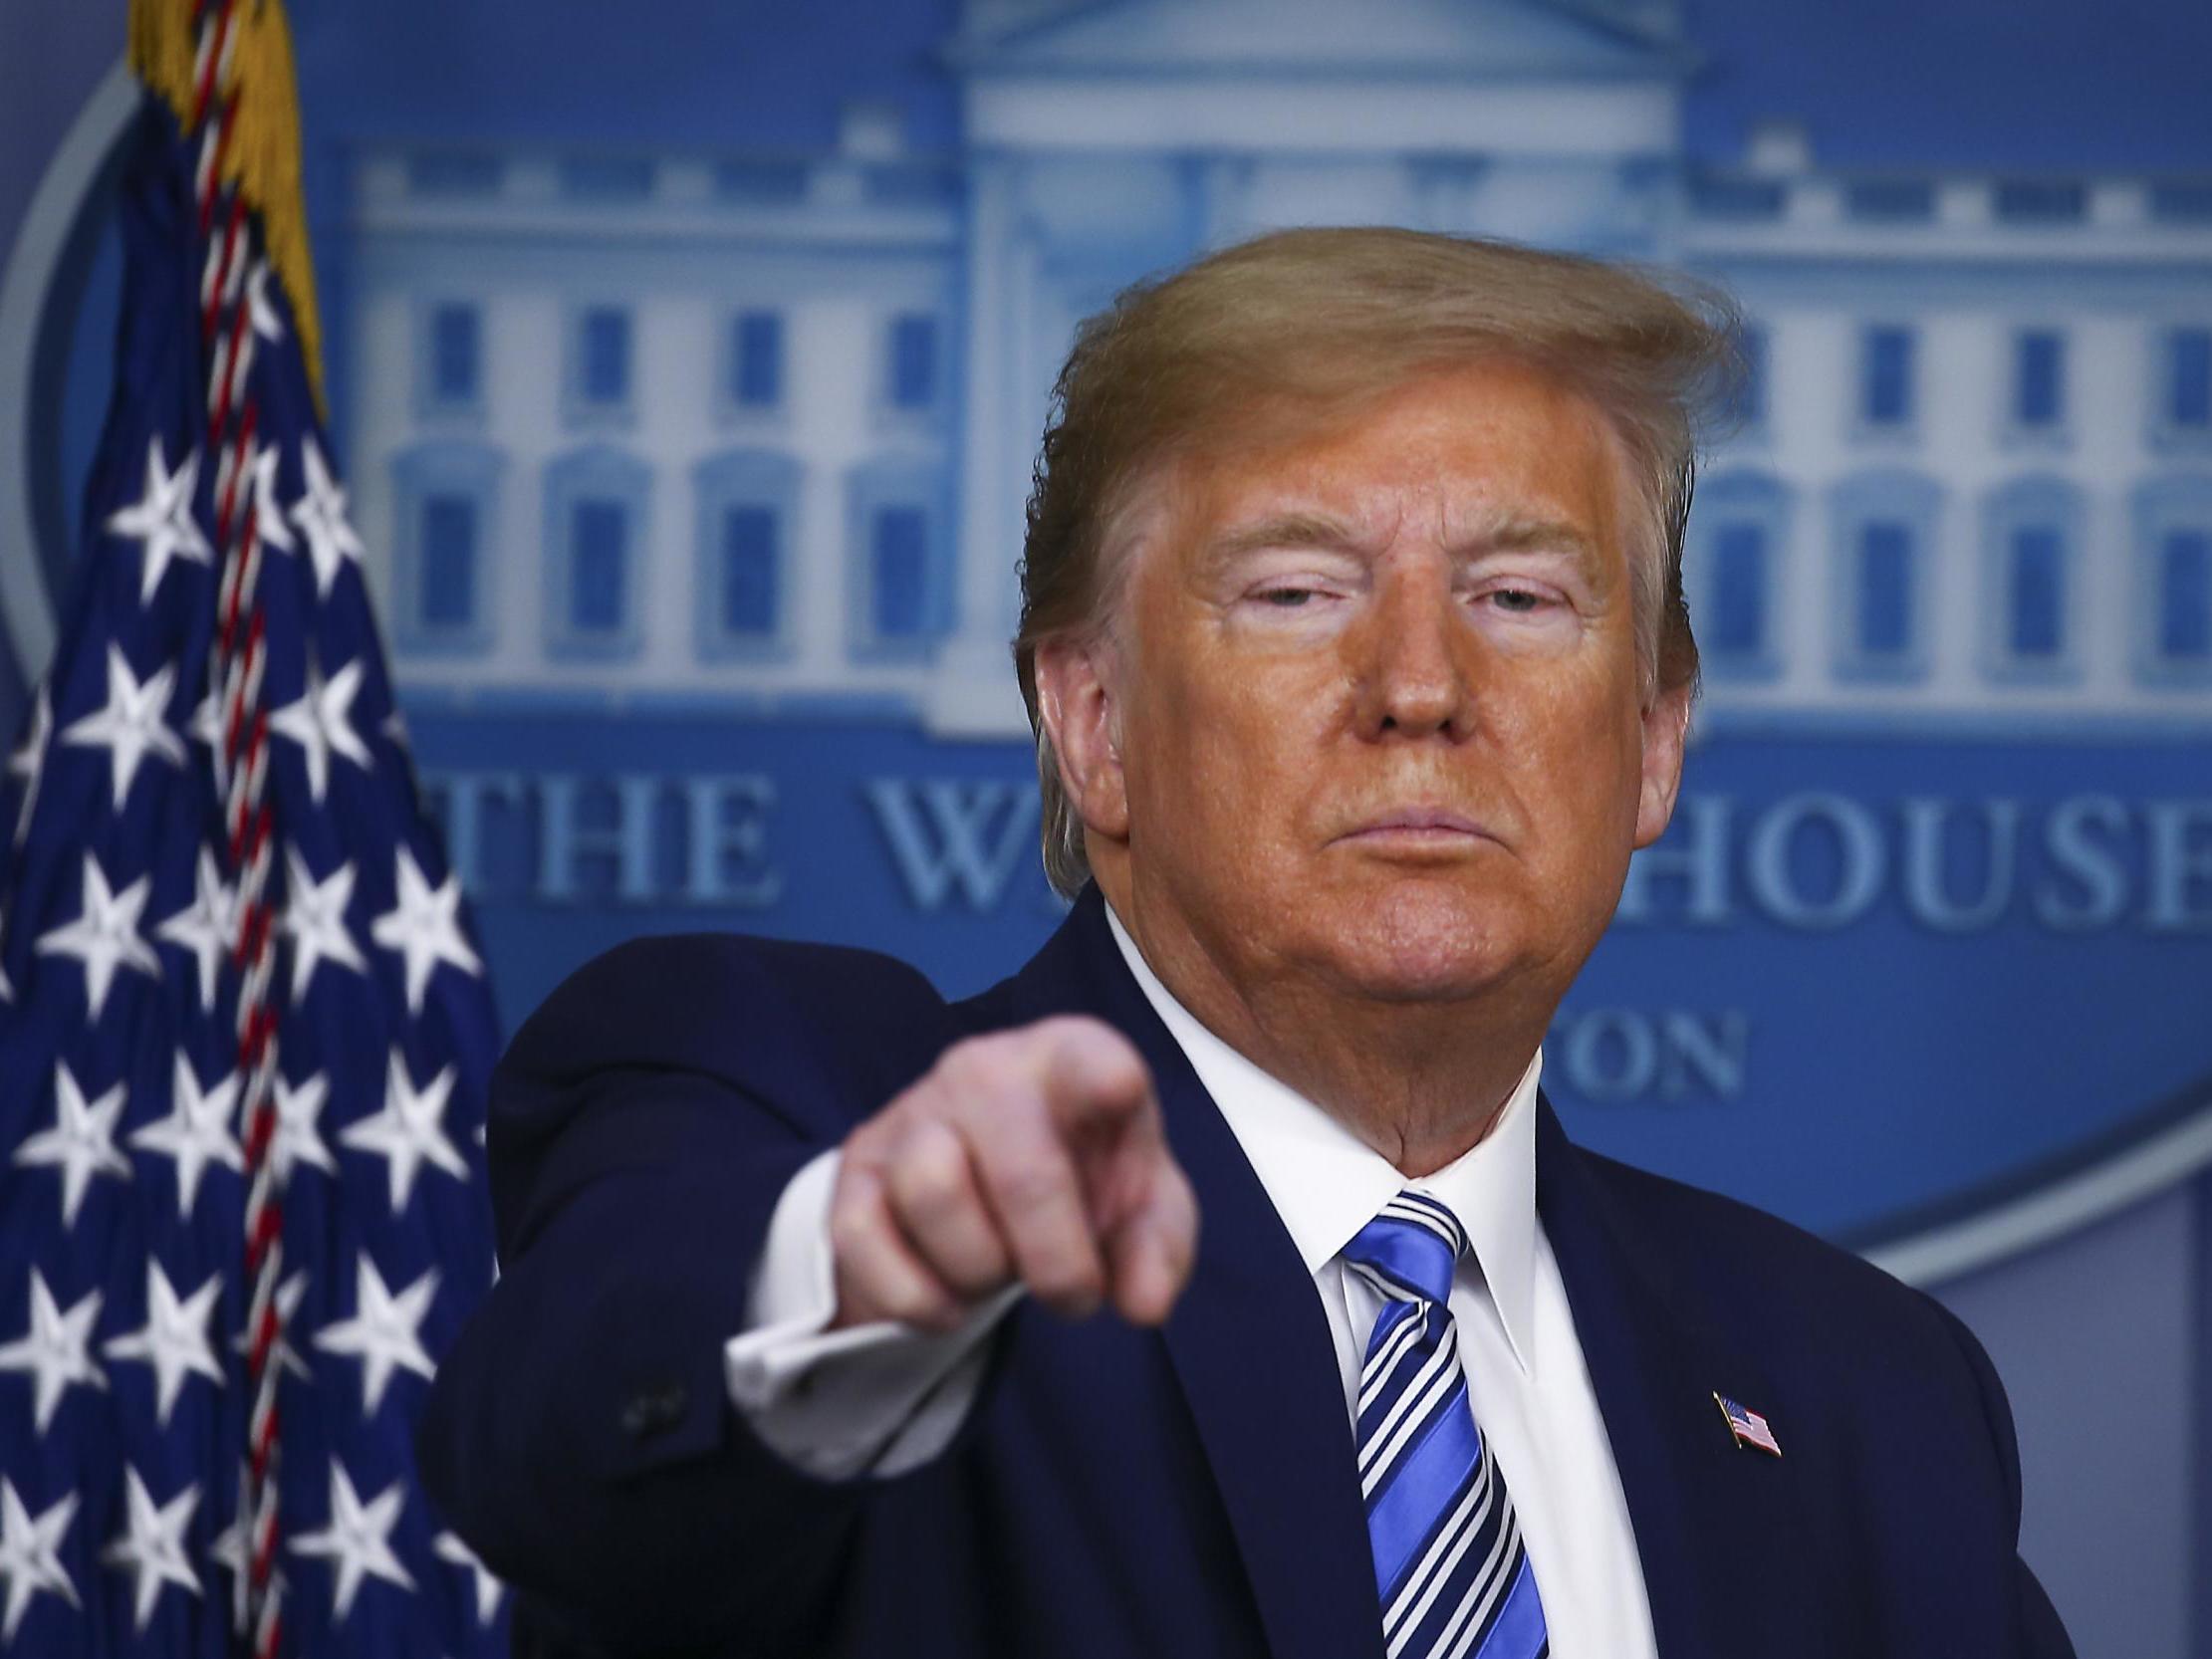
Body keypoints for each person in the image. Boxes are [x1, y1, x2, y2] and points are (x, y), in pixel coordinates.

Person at [417, 227, 2077, 1659]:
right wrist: (852, 1281)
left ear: (1649, 739)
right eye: (1294, 591)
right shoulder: (796, 1102)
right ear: (1092, 724)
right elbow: (564, 1438)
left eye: (1518, 597)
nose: (1419, 684)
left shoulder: (1868, 1392)